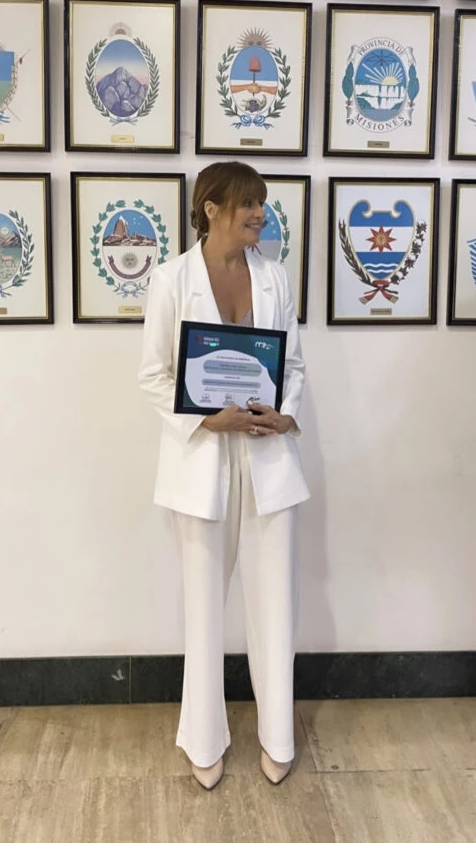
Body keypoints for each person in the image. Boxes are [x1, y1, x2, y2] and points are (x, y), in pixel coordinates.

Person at [138, 161, 310, 789]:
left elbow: (292, 363)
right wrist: (200, 424)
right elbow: (153, 375)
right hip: (202, 461)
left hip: (267, 458)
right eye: (247, 204)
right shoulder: (170, 279)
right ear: (210, 208)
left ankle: (277, 737)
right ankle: (204, 739)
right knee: (203, 606)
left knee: (275, 607)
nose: (259, 214)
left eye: (262, 204)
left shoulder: (273, 277)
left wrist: (284, 417)